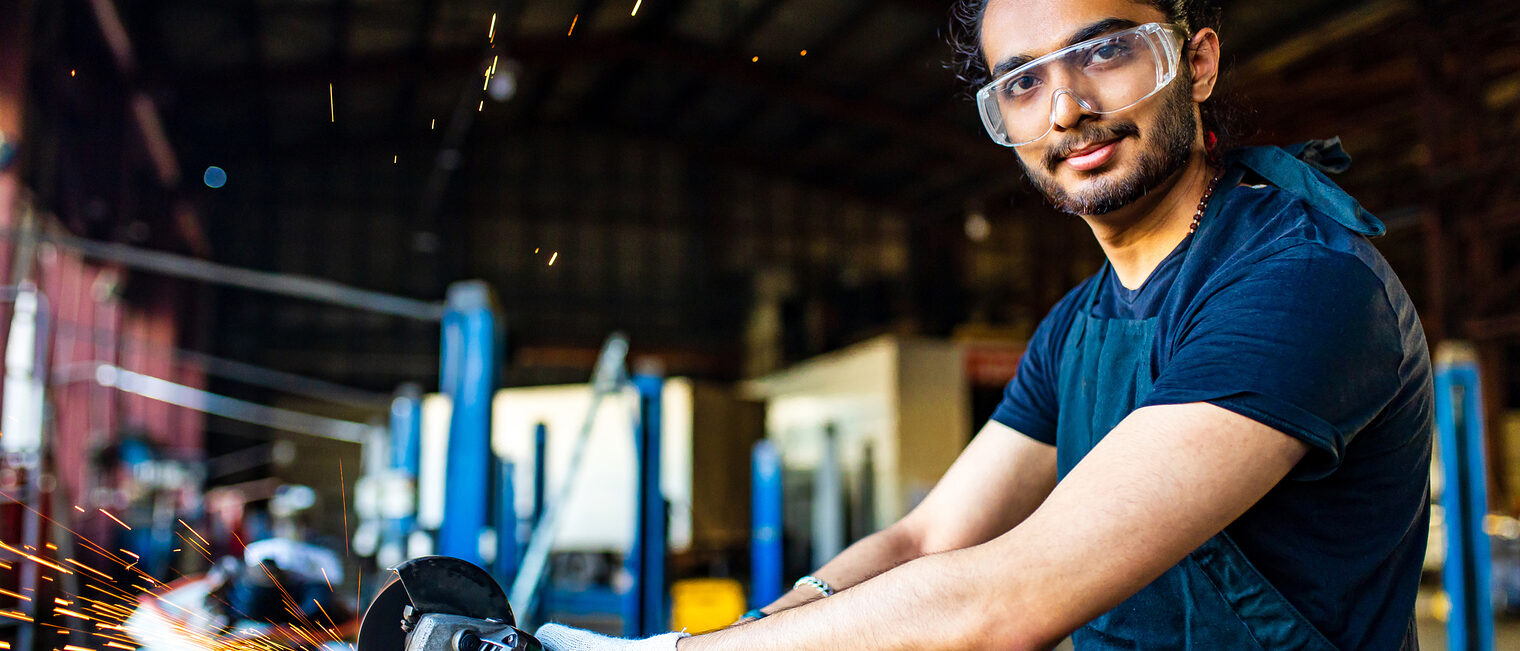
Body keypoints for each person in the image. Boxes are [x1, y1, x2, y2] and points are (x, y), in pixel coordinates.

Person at [534, 0, 1432, 648]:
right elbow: (928, 539)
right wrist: (746, 629)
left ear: (1194, 63)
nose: (1066, 108)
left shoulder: (1301, 282)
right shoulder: (1075, 326)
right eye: (1023, 81)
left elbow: (1015, 592)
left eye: (1106, 52)